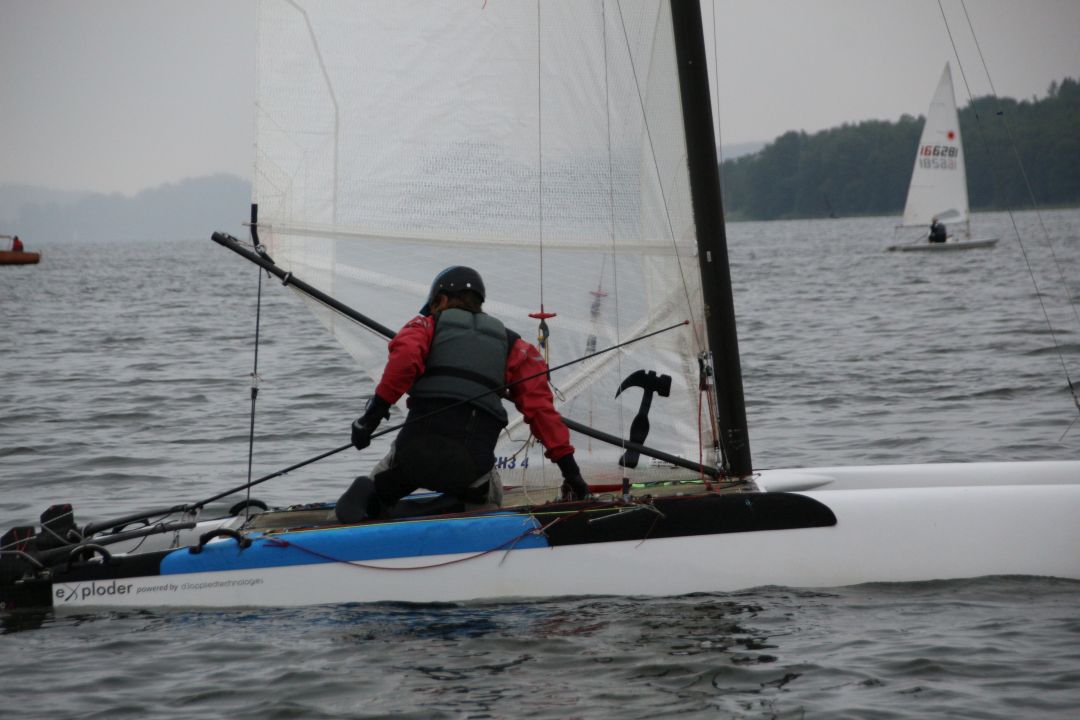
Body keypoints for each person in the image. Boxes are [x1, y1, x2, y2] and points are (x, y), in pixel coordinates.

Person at [336, 266, 590, 523]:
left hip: (412, 458)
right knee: (488, 497)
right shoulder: (516, 347)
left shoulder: (425, 325)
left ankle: (369, 514)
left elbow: (405, 358)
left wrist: (371, 418)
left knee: (368, 494)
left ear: (441, 300)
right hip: (471, 470)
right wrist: (572, 474)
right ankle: (459, 510)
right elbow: (542, 413)